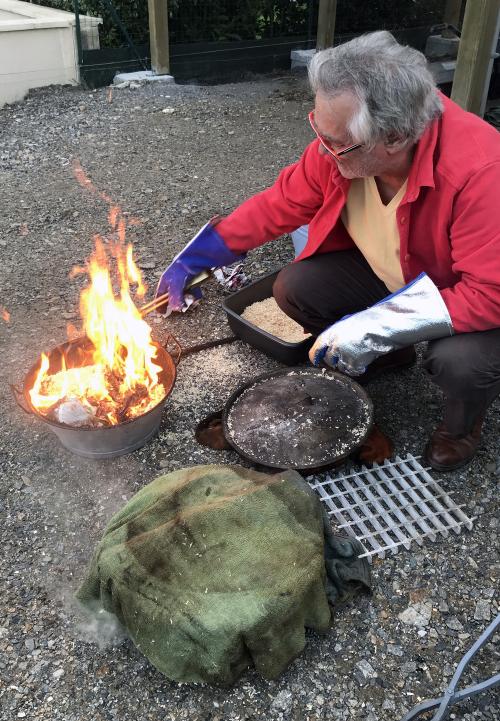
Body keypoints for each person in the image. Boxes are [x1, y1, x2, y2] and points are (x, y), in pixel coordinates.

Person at [156, 31, 500, 472]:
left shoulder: (482, 171)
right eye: (318, 127)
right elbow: (280, 203)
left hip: (466, 296)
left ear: (393, 136)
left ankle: (461, 426)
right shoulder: (344, 144)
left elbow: (489, 293)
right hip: (395, 270)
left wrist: (377, 324)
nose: (322, 148)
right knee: (296, 288)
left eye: (336, 141)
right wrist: (201, 254)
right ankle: (391, 356)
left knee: (460, 363)